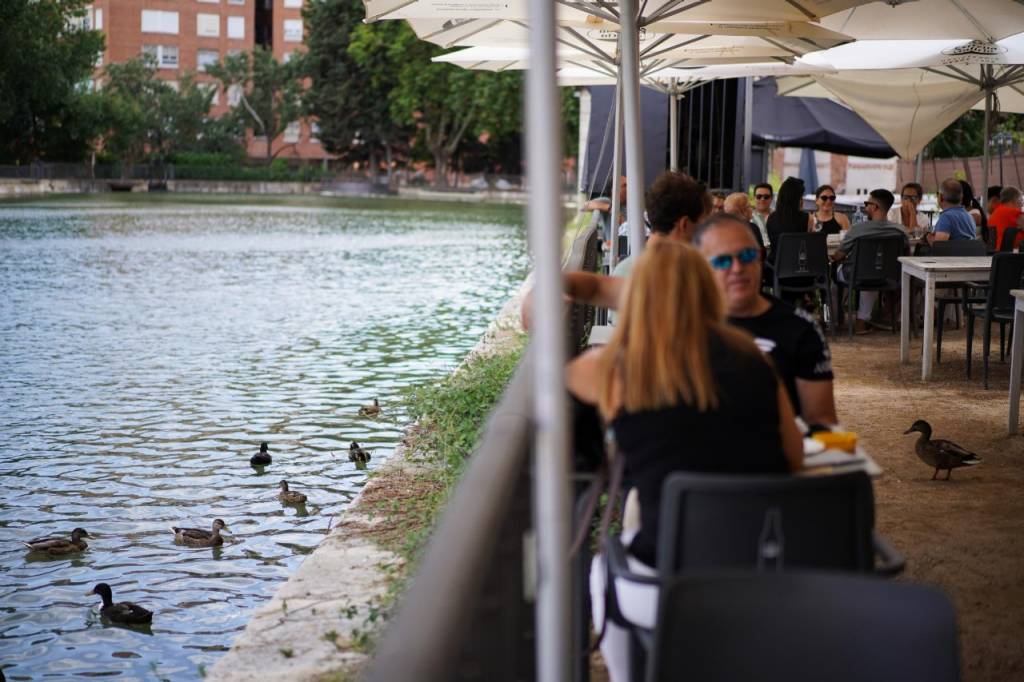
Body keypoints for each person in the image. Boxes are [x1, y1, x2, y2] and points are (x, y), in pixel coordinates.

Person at [569, 241, 803, 682]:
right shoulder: (754, 358)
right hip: (761, 574)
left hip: (666, 586)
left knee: (603, 567)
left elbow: (553, 377)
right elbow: (793, 459)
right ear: (707, 292)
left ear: (637, 299)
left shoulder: (615, 368)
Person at [694, 213, 837, 424]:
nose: (737, 269)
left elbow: (821, 419)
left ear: (760, 258)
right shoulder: (682, 326)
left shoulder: (799, 328)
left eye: (747, 256)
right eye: (722, 261)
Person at [832, 189, 909, 332]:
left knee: (848, 271)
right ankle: (863, 320)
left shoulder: (857, 230)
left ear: (874, 207)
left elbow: (838, 255)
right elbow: (906, 254)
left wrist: (833, 258)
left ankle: (836, 319)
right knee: (873, 270)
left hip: (857, 275)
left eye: (867, 203)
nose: (866, 207)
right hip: (889, 276)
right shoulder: (901, 231)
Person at [766, 176, 814, 262]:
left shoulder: (770, 217)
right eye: (801, 197)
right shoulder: (808, 218)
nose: (802, 200)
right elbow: (811, 244)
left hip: (775, 267)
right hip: (800, 267)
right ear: (797, 199)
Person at [929, 178, 978, 243]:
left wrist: (928, 238)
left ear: (941, 197)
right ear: (961, 197)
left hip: (954, 253)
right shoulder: (969, 216)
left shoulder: (946, 217)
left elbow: (939, 247)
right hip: (970, 253)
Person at [989, 185, 1024, 250]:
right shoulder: (1013, 212)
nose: (1022, 204)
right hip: (1012, 254)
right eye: (1021, 200)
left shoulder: (996, 212)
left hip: (996, 253)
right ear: (1015, 199)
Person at [752, 182, 774, 246]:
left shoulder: (778, 216)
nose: (762, 199)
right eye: (759, 196)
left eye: (766, 197)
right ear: (754, 198)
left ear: (771, 198)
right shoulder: (747, 217)